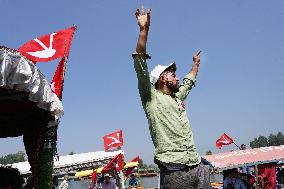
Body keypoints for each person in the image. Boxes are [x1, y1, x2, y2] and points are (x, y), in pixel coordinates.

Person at [133, 6, 210, 189]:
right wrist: (144, 31)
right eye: (171, 73)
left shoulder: (176, 97)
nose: (176, 76)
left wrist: (196, 64)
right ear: (161, 78)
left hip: (197, 165)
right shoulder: (150, 97)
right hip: (174, 170)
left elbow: (188, 82)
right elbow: (140, 63)